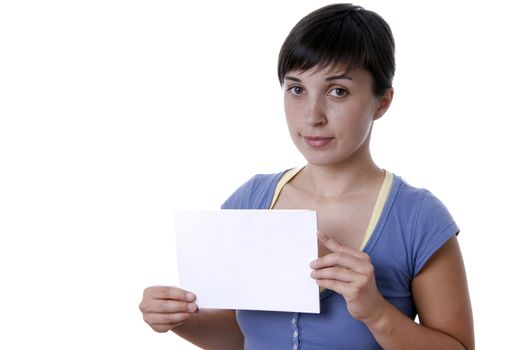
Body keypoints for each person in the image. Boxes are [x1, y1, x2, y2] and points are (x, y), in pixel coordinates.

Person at [139, 3, 474, 349]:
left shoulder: (418, 218)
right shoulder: (251, 201)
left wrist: (377, 313)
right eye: (296, 89)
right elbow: (244, 338)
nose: (312, 116)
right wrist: (182, 321)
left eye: (337, 91)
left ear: (382, 102)